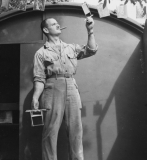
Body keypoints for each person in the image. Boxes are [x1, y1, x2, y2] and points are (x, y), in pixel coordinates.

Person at [31, 16, 98, 160]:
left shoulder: (71, 48)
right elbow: (39, 78)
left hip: (71, 87)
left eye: (57, 23)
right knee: (50, 132)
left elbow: (91, 50)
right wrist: (35, 97)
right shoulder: (41, 53)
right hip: (52, 88)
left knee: (76, 131)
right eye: (53, 24)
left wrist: (90, 31)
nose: (58, 25)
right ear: (45, 29)